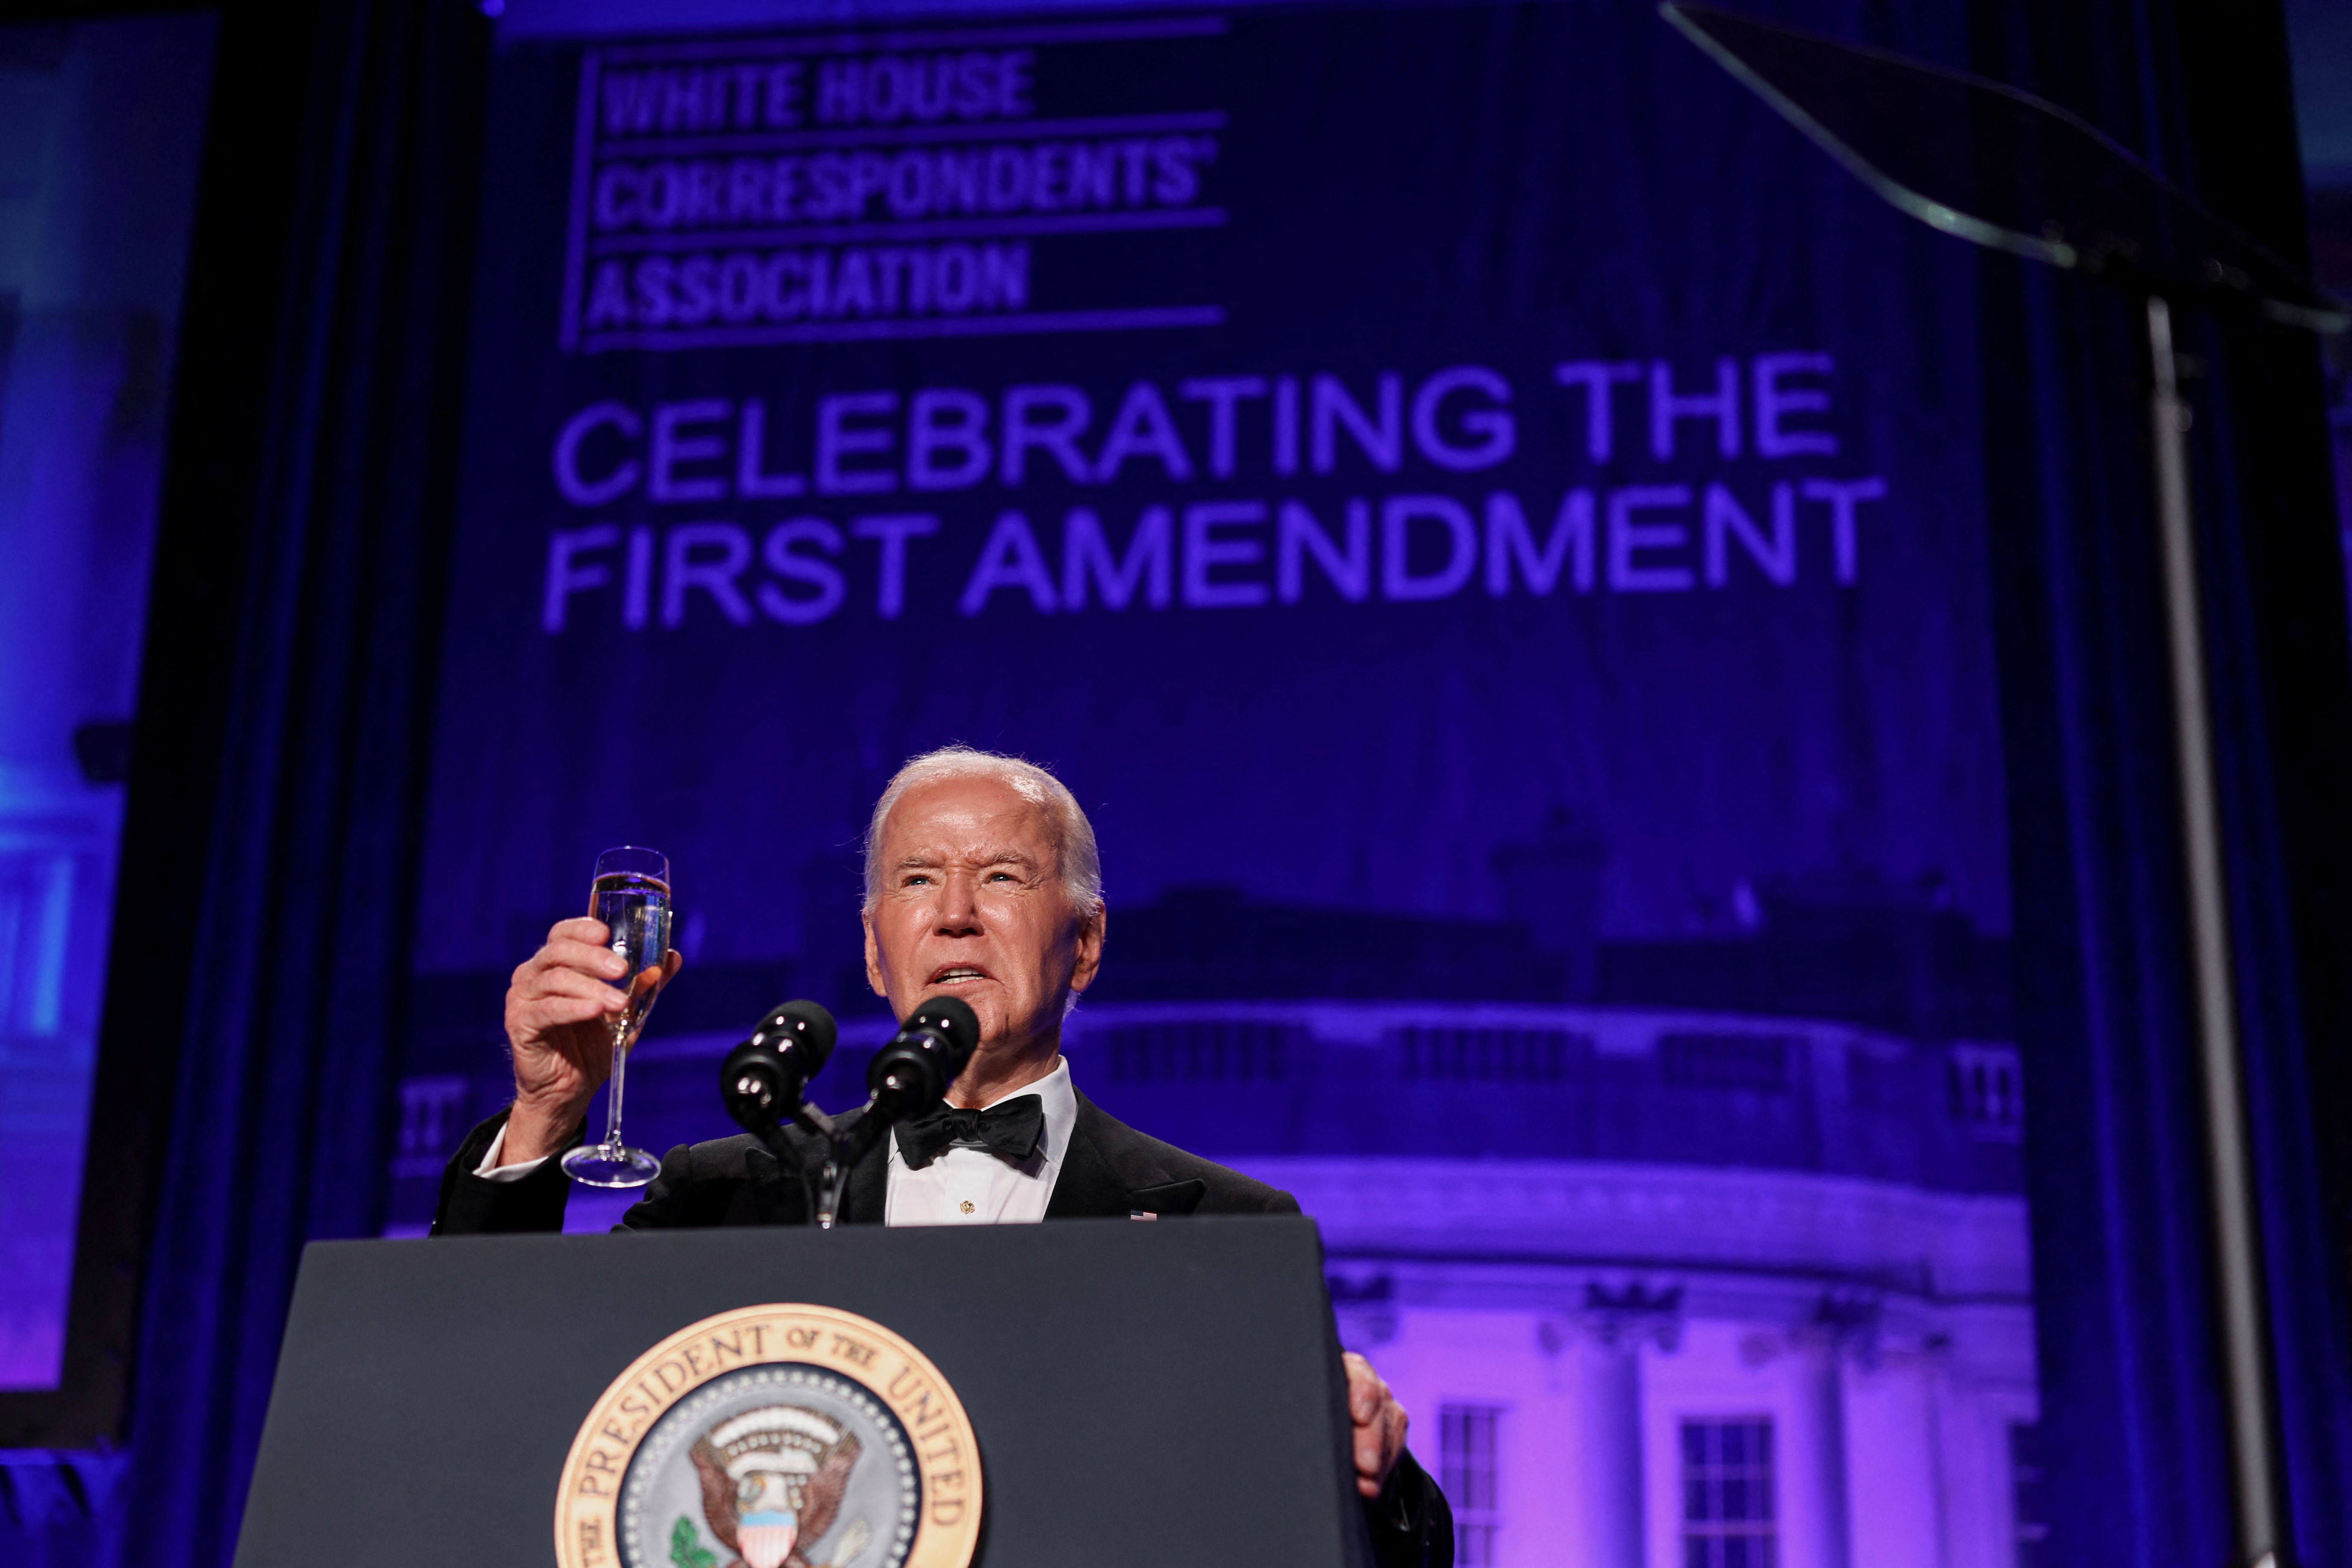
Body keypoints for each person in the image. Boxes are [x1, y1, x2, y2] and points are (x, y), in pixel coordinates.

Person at [433, 745, 1452, 1568]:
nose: (955, 910)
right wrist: (544, 1114)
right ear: (877, 950)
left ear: (1086, 945)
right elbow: (492, 1393)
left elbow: (1384, 1548)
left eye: (1001, 876)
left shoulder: (1224, 1229)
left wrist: (1366, 1468)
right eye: (918, 880)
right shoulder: (722, 1198)